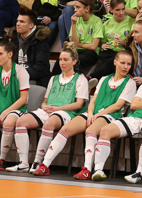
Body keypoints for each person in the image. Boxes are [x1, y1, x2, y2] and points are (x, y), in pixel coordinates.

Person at [33, 50, 136, 177]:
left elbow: (118, 105)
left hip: (111, 115)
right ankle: (45, 165)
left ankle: (87, 169)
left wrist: (98, 115)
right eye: (122, 63)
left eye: (129, 64)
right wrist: (91, 113)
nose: (126, 67)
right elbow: (93, 101)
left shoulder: (130, 83)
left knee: (91, 130)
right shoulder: (104, 79)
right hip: (93, 113)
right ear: (115, 62)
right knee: (65, 129)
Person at [7, 42, 88, 173]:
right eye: (60, 60)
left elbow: (79, 104)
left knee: (49, 123)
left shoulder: (80, 79)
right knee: (21, 122)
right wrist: (44, 106)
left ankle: (38, 161)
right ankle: (23, 162)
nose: (62, 62)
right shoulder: (53, 79)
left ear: (74, 61)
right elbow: (44, 101)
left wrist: (57, 109)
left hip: (67, 113)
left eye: (66, 60)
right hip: (49, 110)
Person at [52, 0, 103, 75]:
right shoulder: (76, 20)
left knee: (76, 61)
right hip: (77, 51)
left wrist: (78, 44)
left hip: (91, 53)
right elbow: (74, 45)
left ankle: (77, 84)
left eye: (78, 7)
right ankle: (53, 83)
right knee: (60, 60)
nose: (75, 10)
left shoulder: (97, 21)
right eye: (74, 7)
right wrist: (73, 24)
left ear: (87, 8)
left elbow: (93, 47)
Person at [90, 0, 134, 80]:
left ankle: (91, 77)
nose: (121, 13)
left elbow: (135, 44)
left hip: (123, 52)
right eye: (117, 10)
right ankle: (96, 82)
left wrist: (123, 43)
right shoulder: (106, 24)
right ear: (111, 10)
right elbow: (102, 42)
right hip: (109, 51)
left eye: (123, 9)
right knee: (101, 60)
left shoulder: (131, 22)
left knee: (112, 61)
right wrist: (103, 45)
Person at [10, 7, 51, 87]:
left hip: (36, 80)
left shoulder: (40, 41)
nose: (18, 24)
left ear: (31, 25)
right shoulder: (15, 39)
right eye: (17, 21)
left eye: (22, 22)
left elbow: (40, 69)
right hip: (17, 76)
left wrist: (19, 74)